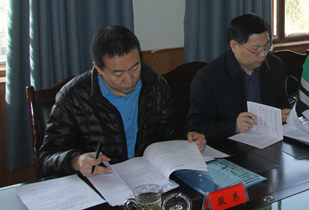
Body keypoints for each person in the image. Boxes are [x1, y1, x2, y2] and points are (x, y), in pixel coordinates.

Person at [39, 26, 206, 178]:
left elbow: (167, 130)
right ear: (98, 69)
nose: (129, 80)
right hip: (101, 181)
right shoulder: (73, 97)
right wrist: (75, 161)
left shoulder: (155, 85)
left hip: (149, 176)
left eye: (135, 68)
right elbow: (46, 158)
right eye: (118, 74)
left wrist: (188, 134)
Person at [188, 13, 290, 140]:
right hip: (229, 144)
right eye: (256, 50)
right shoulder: (208, 77)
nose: (263, 55)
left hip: (268, 139)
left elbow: (280, 101)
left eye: (266, 47)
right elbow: (197, 125)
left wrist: (283, 112)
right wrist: (233, 126)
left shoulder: (274, 65)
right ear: (234, 46)